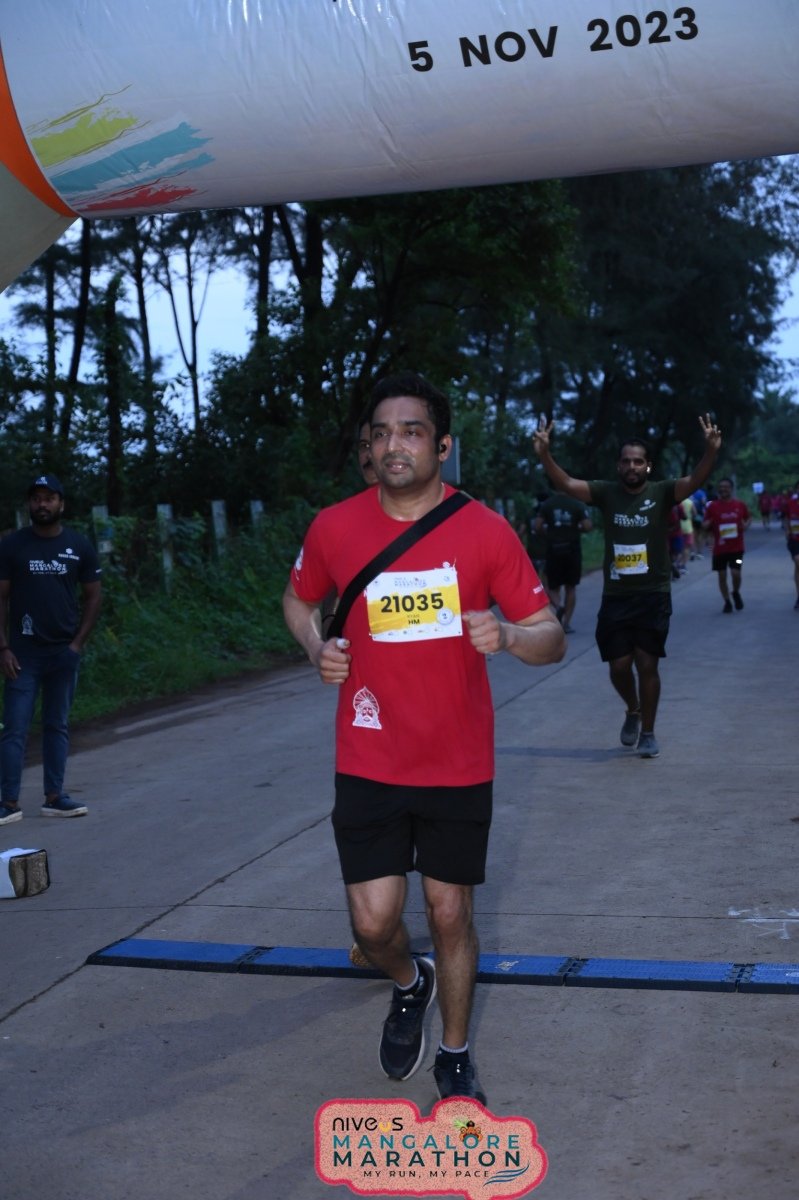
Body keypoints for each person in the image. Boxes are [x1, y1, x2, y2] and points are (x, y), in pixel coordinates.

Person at [283, 370, 564, 1103]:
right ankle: (411, 981)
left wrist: (507, 634)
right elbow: (298, 599)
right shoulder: (334, 527)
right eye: (380, 432)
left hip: (456, 760)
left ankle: (455, 1052)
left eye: (411, 431)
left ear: (442, 446)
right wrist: (317, 648)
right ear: (368, 448)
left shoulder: (485, 530)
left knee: (449, 911)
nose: (393, 444)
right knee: (374, 926)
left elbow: (551, 635)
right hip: (369, 755)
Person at [532, 417, 721, 759]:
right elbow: (568, 483)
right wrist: (545, 454)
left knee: (647, 664)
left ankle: (648, 732)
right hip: (616, 596)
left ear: (648, 466)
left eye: (638, 461)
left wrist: (710, 450)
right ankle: (633, 709)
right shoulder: (607, 493)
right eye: (626, 461)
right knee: (619, 666)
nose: (632, 466)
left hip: (653, 594)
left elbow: (695, 480)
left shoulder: (662, 492)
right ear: (618, 466)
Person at [0, 474, 102, 825]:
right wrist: (3, 647)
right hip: (22, 655)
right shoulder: (13, 545)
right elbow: (0, 598)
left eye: (48, 498)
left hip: (63, 653)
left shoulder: (78, 545)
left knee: (57, 725)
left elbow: (94, 596)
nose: (41, 504)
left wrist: (76, 645)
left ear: (61, 504)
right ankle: (8, 802)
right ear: (29, 504)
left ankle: (55, 797)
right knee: (15, 728)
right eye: (36, 498)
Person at [534, 491, 592, 632]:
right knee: (571, 587)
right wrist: (576, 528)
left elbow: (537, 526)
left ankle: (558, 607)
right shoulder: (577, 504)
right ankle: (566, 623)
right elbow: (587, 526)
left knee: (552, 587)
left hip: (554, 549)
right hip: (572, 550)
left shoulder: (548, 504)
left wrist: (549, 533)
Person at [702, 477, 751, 613]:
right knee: (722, 575)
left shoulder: (739, 505)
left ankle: (735, 592)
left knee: (736, 573)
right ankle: (727, 601)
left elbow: (748, 518)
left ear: (731, 489)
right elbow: (704, 524)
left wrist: (746, 525)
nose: (723, 489)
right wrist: (707, 524)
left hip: (737, 548)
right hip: (719, 549)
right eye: (721, 487)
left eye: (726, 487)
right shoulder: (712, 506)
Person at [785, 482, 799, 609]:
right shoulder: (790, 503)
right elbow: (787, 518)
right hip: (795, 539)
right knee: (798, 561)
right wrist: (787, 530)